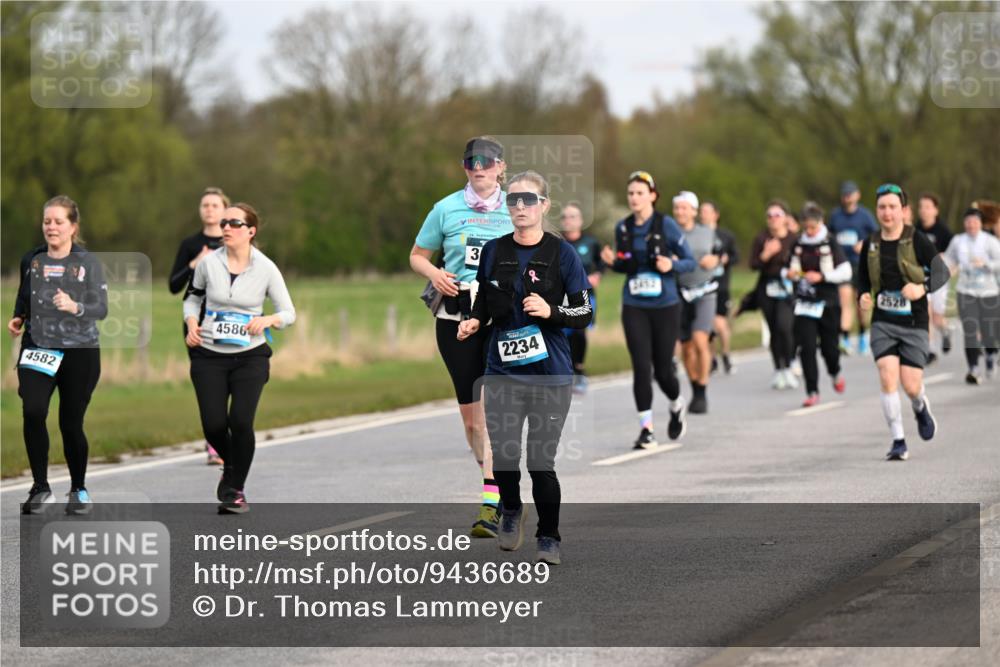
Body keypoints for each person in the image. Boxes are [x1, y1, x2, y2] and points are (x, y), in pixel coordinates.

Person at [457, 170, 592, 565]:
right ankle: (512, 507)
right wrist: (474, 321)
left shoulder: (562, 253)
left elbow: (584, 311)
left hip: (550, 372)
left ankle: (549, 536)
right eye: (513, 200)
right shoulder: (494, 252)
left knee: (540, 461)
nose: (520, 206)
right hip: (501, 370)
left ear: (544, 205)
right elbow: (482, 301)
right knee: (504, 454)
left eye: (528, 200)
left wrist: (552, 311)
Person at [410, 136, 514, 537]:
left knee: (490, 412)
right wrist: (434, 273)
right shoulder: (445, 208)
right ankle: (500, 483)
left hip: (500, 318)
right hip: (455, 318)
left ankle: (491, 502)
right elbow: (417, 254)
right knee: (472, 422)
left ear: (501, 167)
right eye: (472, 160)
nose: (480, 166)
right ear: (464, 166)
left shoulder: (515, 207)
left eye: (487, 161)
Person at [184, 203, 295, 512]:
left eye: (234, 223)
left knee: (241, 422)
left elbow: (289, 312)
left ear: (251, 231)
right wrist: (192, 323)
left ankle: (235, 489)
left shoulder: (266, 268)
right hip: (208, 355)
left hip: (250, 356)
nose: (227, 228)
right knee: (213, 425)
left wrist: (268, 320)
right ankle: (232, 466)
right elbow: (192, 299)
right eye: (224, 223)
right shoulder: (208, 264)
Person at [9, 196, 108, 515]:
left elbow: (101, 308)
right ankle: (40, 487)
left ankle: (78, 489)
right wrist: (19, 316)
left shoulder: (88, 263)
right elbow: (25, 295)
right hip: (39, 346)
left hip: (80, 352)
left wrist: (75, 306)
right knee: (34, 410)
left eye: (58, 221)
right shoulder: (32, 259)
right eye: (47, 221)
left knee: (70, 422)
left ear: (73, 227)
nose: (51, 227)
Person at [599, 171, 695, 448]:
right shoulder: (623, 228)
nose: (634, 198)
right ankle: (646, 429)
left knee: (663, 370)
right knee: (641, 367)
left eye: (640, 193)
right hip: (634, 305)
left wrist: (672, 265)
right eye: (630, 193)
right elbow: (624, 265)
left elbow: (690, 262)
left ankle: (676, 404)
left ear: (653, 195)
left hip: (665, 305)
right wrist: (610, 262)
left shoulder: (667, 226)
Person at [857, 184, 949, 461]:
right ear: (877, 210)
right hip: (883, 320)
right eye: (882, 207)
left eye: (892, 207)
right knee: (887, 375)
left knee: (910, 385)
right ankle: (898, 440)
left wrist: (922, 289)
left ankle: (920, 406)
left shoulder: (917, 240)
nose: (887, 212)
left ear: (903, 211)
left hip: (914, 321)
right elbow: (862, 277)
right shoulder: (871, 243)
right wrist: (863, 295)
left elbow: (941, 273)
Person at [169, 186, 229, 465]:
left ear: (224, 210)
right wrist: (195, 263)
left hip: (229, 320)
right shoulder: (190, 244)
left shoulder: (234, 240)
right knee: (208, 383)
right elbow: (173, 286)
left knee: (231, 380)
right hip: (196, 321)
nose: (209, 209)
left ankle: (226, 432)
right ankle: (214, 444)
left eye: (215, 205)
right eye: (205, 205)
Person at [787, 204, 852, 407]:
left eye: (813, 227)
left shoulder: (830, 242)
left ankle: (835, 371)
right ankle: (812, 391)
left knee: (829, 349)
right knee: (806, 347)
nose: (809, 231)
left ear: (821, 223)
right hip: (805, 302)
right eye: (806, 227)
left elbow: (846, 271)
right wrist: (788, 273)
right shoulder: (798, 243)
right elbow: (786, 268)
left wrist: (823, 276)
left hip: (828, 303)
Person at [673, 191, 720, 414]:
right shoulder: (669, 233)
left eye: (685, 208)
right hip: (680, 293)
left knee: (700, 339)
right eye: (677, 208)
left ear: (693, 210)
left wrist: (715, 259)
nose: (680, 212)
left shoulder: (707, 232)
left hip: (705, 291)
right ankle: (695, 385)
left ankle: (702, 391)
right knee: (686, 348)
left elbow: (720, 254)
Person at [942, 208, 1000, 384]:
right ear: (964, 223)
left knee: (988, 330)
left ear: (980, 223)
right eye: (968, 221)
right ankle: (973, 368)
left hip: (988, 291)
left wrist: (986, 264)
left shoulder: (989, 241)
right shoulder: (958, 241)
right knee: (969, 329)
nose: (971, 224)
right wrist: (946, 269)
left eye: (974, 221)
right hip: (965, 291)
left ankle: (991, 354)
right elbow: (949, 259)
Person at [750, 200, 798, 390]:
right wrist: (766, 254)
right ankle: (778, 369)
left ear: (785, 218)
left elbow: (805, 262)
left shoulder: (794, 239)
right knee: (773, 330)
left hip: (788, 289)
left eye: (777, 215)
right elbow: (753, 265)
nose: (773, 219)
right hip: (767, 288)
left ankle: (789, 364)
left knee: (785, 327)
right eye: (769, 216)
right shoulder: (761, 239)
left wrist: (796, 271)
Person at [829, 180, 879, 355]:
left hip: (860, 265)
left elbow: (877, 236)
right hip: (842, 265)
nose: (847, 197)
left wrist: (864, 243)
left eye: (850, 193)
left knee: (860, 305)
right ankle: (845, 338)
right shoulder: (835, 216)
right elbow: (828, 237)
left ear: (857, 195)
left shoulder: (865, 216)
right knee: (844, 301)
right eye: (845, 194)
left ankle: (864, 334)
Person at [559, 201, 605, 394]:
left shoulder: (591, 243)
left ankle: (579, 370)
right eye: (564, 217)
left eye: (572, 217)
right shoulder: (556, 243)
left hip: (586, 295)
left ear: (581, 221)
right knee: (564, 335)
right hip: (561, 298)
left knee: (579, 331)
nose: (568, 221)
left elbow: (601, 263)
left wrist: (597, 275)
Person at [700, 200, 739, 375]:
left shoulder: (726, 236)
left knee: (719, 323)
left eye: (707, 211)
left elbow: (736, 257)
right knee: (707, 325)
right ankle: (712, 358)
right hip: (703, 285)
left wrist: (726, 260)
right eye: (701, 212)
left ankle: (726, 354)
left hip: (721, 285)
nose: (703, 215)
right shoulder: (696, 235)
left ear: (715, 214)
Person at [916, 193, 954, 365]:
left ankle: (945, 331)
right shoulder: (916, 230)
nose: (924, 211)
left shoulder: (944, 232)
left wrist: (948, 267)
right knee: (927, 314)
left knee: (938, 318)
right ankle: (930, 350)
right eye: (921, 207)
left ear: (935, 210)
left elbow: (955, 257)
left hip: (939, 278)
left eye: (928, 207)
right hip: (923, 278)